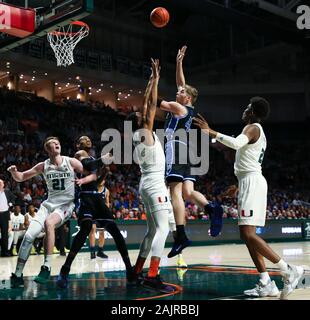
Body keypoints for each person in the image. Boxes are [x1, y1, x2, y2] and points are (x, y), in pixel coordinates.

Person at [193, 97, 304, 300]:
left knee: (249, 234)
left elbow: (235, 144)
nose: (244, 110)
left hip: (252, 182)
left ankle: (288, 269)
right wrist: (239, 183)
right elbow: (245, 157)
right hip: (248, 181)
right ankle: (265, 282)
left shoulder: (252, 127)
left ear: (253, 112)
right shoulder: (254, 130)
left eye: (247, 107)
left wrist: (211, 132)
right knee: (246, 235)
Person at [157, 46, 223, 258]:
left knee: (175, 192)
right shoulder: (186, 107)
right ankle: (211, 207)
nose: (178, 91)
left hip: (176, 148)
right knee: (187, 192)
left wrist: (152, 83)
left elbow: (156, 102)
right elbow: (181, 84)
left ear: (189, 98)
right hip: (187, 151)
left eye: (182, 92)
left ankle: (181, 236)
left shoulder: (178, 107)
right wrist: (178, 63)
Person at [56, 136, 133, 289]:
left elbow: (95, 179)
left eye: (89, 139)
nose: (88, 140)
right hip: (84, 197)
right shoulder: (79, 154)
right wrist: (104, 158)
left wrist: (103, 172)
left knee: (114, 231)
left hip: (97, 197)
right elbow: (89, 164)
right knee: (85, 228)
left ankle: (130, 270)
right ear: (78, 144)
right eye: (84, 139)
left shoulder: (92, 157)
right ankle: (65, 270)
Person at [7, 136, 84, 287]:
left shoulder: (71, 162)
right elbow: (21, 177)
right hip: (48, 205)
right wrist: (14, 172)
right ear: (47, 149)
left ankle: (47, 266)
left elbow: (90, 172)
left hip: (66, 206)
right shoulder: (43, 165)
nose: (56, 144)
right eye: (52, 144)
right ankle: (17, 274)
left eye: (58, 143)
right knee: (28, 236)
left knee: (49, 223)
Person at [129, 58, 175, 293]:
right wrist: (155, 80)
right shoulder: (144, 131)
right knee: (162, 229)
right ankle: (152, 276)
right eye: (140, 114)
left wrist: (151, 80)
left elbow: (147, 103)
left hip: (146, 184)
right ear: (139, 121)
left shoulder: (138, 136)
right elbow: (150, 104)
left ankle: (136, 271)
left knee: (151, 231)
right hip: (155, 186)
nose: (143, 112)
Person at [89, 178, 109, 259]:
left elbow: (107, 202)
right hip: (93, 212)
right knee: (92, 229)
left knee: (102, 232)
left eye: (103, 180)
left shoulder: (106, 191)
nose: (102, 181)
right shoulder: (93, 189)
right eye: (101, 179)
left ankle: (100, 251)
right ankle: (92, 251)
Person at [0, 178, 16, 257]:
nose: (0, 185)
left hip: (5, 214)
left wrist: (10, 204)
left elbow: (13, 199)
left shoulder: (7, 191)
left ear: (3, 184)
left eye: (1, 183)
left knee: (5, 234)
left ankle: (5, 252)